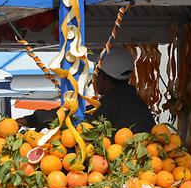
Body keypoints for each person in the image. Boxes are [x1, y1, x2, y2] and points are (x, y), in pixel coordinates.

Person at [18, 49, 155, 133]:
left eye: (96, 72)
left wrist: (31, 120)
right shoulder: (135, 102)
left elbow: (77, 116)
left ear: (103, 77)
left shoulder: (112, 104)